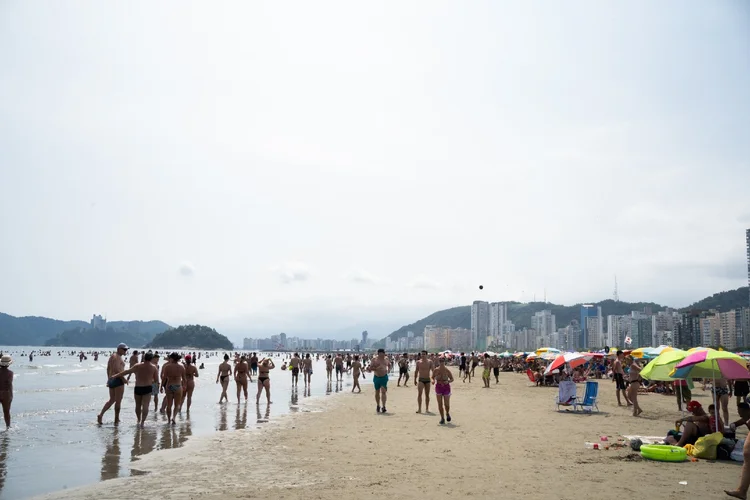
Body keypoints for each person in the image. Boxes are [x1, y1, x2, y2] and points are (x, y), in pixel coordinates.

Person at [112, 352, 159, 428]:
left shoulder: (137, 366)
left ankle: (138, 419)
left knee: (138, 405)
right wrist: (151, 380)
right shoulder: (154, 367)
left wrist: (115, 375)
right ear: (151, 359)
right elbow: (156, 380)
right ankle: (143, 422)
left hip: (138, 387)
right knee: (146, 405)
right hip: (147, 387)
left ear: (144, 358)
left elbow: (127, 372)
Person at [97, 343, 129, 425]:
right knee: (118, 401)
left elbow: (108, 369)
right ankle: (116, 419)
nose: (126, 351)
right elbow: (117, 369)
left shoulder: (112, 356)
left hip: (112, 379)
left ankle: (101, 415)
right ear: (119, 349)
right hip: (118, 380)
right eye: (124, 349)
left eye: (126, 349)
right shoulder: (117, 357)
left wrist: (108, 379)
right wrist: (123, 379)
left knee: (112, 400)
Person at [162, 352, 187, 425]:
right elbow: (184, 378)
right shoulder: (181, 367)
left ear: (172, 358)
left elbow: (164, 378)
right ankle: (174, 418)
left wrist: (161, 386)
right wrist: (185, 385)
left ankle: (169, 420)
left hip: (169, 386)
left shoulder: (167, 367)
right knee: (177, 404)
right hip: (178, 386)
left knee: (169, 405)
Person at [367, 348, 391, 413]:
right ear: (378, 354)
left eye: (383, 354)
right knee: (377, 392)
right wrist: (377, 368)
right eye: (380, 354)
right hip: (377, 377)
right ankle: (378, 405)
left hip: (384, 377)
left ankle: (384, 406)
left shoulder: (386, 359)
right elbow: (370, 368)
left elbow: (389, 364)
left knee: (383, 391)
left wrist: (389, 369)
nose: (382, 356)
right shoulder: (374, 360)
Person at [432, 357, 454, 424]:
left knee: (446, 404)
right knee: (440, 404)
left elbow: (452, 379)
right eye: (440, 360)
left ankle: (447, 413)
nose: (441, 362)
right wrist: (432, 381)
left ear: (445, 362)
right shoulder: (436, 370)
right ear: (439, 361)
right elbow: (432, 377)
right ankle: (442, 418)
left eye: (443, 361)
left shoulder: (447, 370)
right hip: (438, 386)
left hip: (446, 387)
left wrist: (448, 382)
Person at [0, 355, 13, 428]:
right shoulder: (10, 373)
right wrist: (10, 396)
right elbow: (9, 384)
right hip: (6, 393)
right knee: (6, 411)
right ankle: (8, 426)